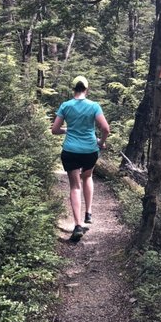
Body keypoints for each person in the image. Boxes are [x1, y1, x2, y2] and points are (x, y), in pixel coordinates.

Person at [52, 76, 110, 242]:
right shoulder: (94, 106)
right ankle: (88, 213)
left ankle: (77, 225)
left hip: (70, 150)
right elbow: (105, 128)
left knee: (75, 186)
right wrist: (101, 142)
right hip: (90, 151)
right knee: (88, 176)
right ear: (86, 89)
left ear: (73, 89)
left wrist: (67, 130)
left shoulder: (66, 106)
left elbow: (54, 130)